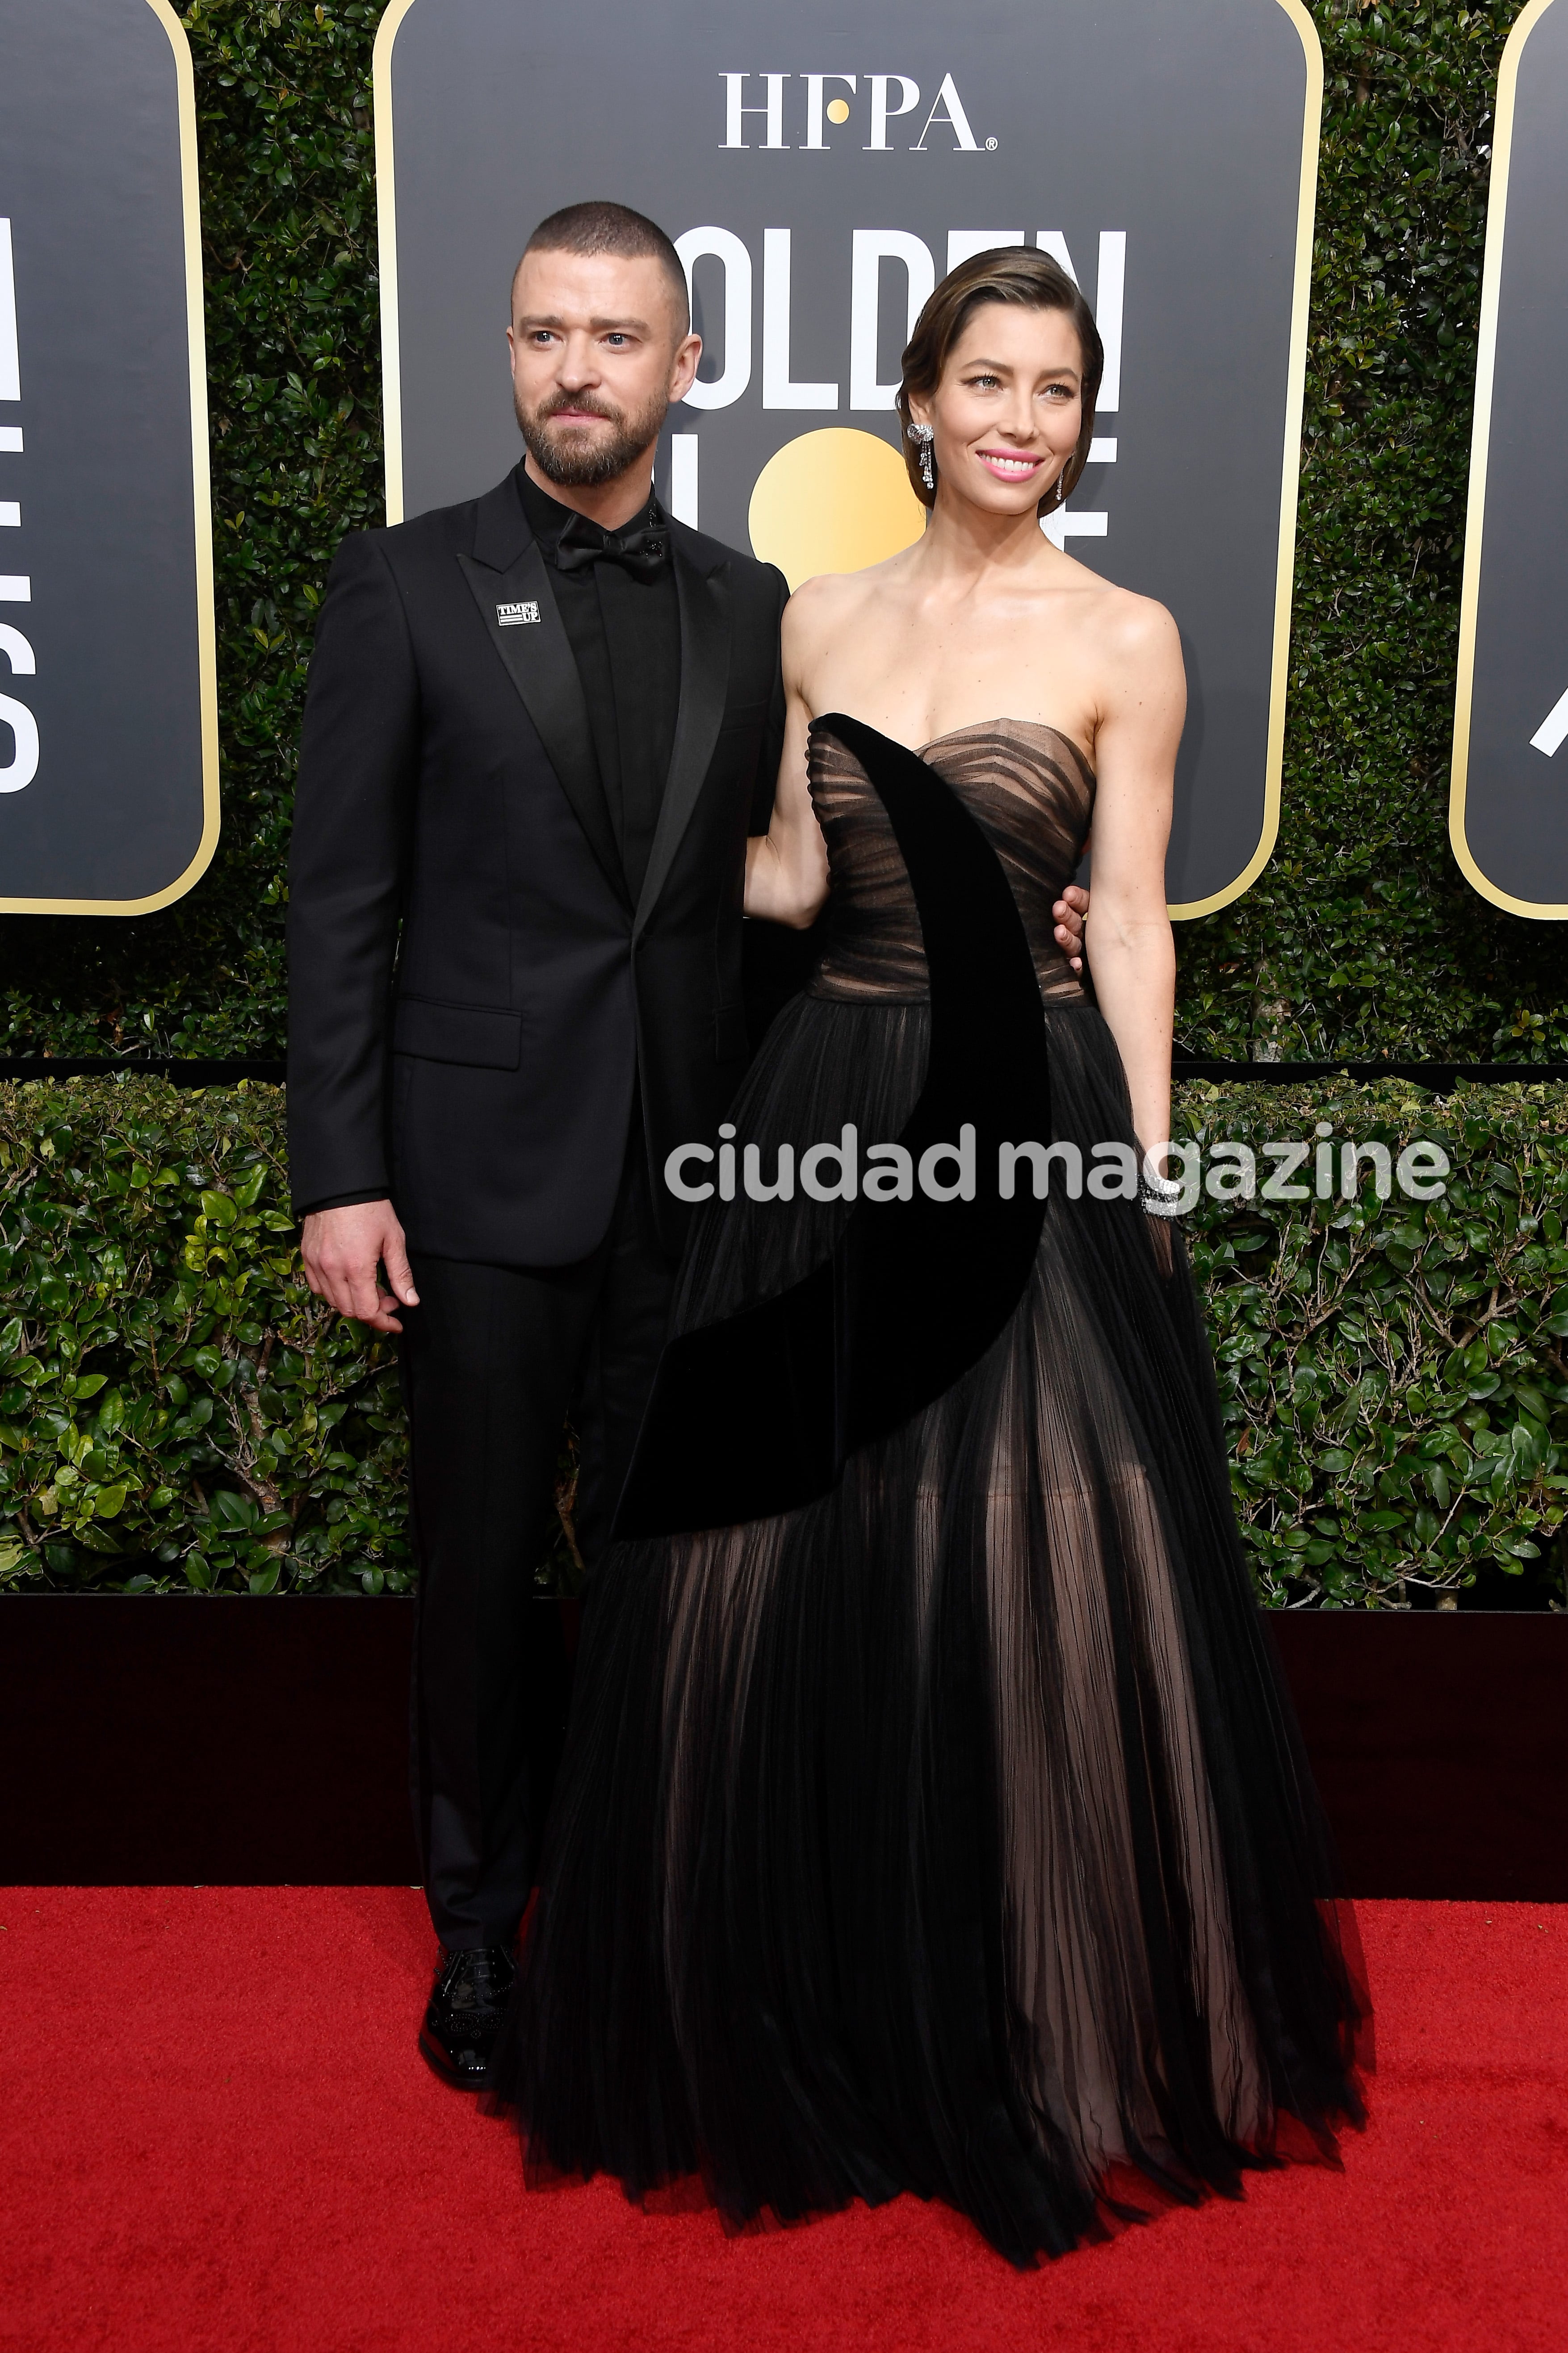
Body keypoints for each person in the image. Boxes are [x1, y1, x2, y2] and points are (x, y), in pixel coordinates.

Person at [493, 247, 1369, 2268]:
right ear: (917, 397)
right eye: (985, 379)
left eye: (1054, 390)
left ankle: (1025, 2009)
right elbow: (799, 872)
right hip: (824, 1100)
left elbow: (1129, 915)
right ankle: (794, 2007)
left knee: (1029, 1559)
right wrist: (584, 852)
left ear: (1080, 419)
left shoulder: (1125, 636)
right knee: (772, 1556)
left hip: (1019, 1117)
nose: (1018, 419)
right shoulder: (813, 621)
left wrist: (1142, 1173)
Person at [286, 196, 1094, 2087]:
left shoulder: (756, 607)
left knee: (685, 1579)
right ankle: (482, 1939)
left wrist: (1013, 899)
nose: (577, 368)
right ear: (509, 353)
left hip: (708, 1178)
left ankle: (653, 1913)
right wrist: (339, 1170)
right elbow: (340, 902)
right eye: (542, 332)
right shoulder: (399, 584)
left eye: (616, 336)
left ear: (686, 364)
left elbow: (815, 873)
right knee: (483, 1574)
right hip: (478, 1181)